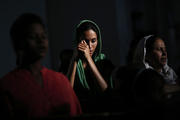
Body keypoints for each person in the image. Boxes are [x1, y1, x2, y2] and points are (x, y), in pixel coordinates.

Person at [0, 13, 82, 118]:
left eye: (43, 36)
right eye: (33, 37)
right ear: (19, 42)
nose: (41, 40)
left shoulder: (61, 81)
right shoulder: (8, 86)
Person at [66, 20, 114, 112]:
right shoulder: (70, 61)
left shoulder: (103, 61)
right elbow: (67, 92)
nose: (89, 46)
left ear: (98, 41)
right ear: (78, 41)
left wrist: (88, 59)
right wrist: (74, 60)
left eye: (93, 41)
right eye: (85, 41)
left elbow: (106, 91)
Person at [132, 35, 180, 105]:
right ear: (146, 54)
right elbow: (159, 90)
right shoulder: (144, 75)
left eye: (165, 49)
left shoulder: (169, 72)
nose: (164, 53)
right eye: (159, 49)